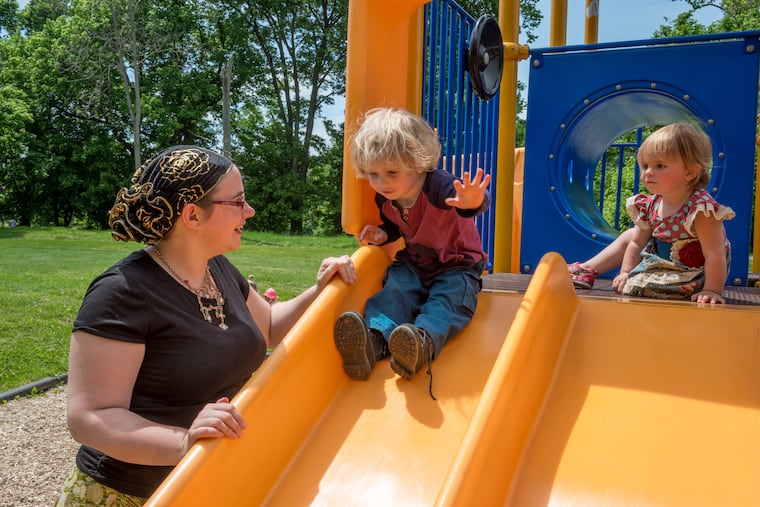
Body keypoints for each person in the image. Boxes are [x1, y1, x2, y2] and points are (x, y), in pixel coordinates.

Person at [55, 145, 356, 506]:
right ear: (193, 215)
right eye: (238, 202)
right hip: (128, 495)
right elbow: (89, 417)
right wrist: (183, 442)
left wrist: (321, 288)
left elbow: (271, 326)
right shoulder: (123, 292)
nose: (250, 211)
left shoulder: (218, 270)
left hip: (207, 483)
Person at [333, 107, 490, 400]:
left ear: (419, 164)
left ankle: (421, 343)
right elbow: (396, 225)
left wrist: (472, 201)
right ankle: (374, 340)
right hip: (417, 262)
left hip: (457, 265)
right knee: (397, 288)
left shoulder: (437, 184)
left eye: (391, 173)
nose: (381, 183)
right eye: (373, 174)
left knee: (448, 300)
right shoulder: (385, 197)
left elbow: (463, 203)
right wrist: (382, 234)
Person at [567, 122, 735, 304]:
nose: (648, 173)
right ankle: (587, 270)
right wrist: (625, 272)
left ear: (690, 172)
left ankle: (702, 286)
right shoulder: (650, 204)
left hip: (695, 270)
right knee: (631, 234)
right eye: (645, 166)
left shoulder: (700, 209)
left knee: (650, 286)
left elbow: (714, 254)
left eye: (659, 166)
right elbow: (637, 242)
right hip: (662, 260)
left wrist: (712, 290)